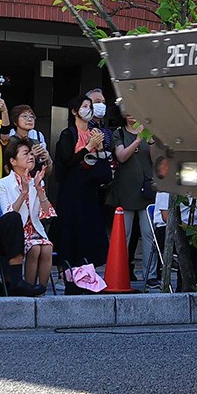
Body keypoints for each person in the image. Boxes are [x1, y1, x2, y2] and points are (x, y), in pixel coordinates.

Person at [52, 90, 114, 268]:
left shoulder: (96, 132)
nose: (89, 110)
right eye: (85, 106)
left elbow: (104, 163)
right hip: (71, 190)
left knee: (90, 229)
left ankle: (89, 268)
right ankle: (69, 269)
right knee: (71, 229)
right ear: (74, 111)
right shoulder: (68, 134)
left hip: (91, 190)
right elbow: (68, 161)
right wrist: (88, 147)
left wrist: (99, 147)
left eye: (90, 107)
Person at [109, 105, 165, 290]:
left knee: (149, 234)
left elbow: (156, 159)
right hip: (126, 190)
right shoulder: (119, 133)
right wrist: (137, 140)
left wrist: (149, 141)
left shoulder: (149, 132)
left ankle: (150, 275)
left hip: (147, 189)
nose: (131, 114)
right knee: (122, 235)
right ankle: (120, 274)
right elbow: (121, 156)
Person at [0, 140, 55, 296]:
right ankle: (27, 287)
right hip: (15, 233)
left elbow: (47, 214)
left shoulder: (36, 181)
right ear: (13, 161)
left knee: (47, 247)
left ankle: (42, 289)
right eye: (26, 153)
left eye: (32, 153)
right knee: (34, 248)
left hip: (35, 229)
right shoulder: (1, 184)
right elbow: (8, 214)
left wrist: (39, 191)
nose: (31, 157)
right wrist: (24, 193)